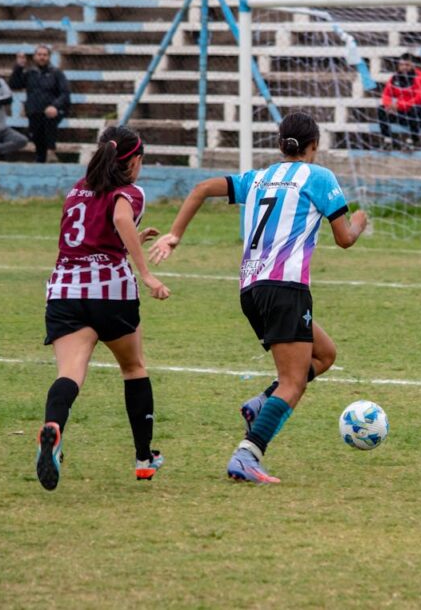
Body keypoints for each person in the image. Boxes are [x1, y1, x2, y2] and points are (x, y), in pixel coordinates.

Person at [148, 112, 368, 484]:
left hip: (251, 289)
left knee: (325, 354)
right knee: (293, 382)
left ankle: (262, 404)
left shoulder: (259, 177)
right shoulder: (318, 176)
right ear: (313, 146)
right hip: (284, 288)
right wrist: (360, 219)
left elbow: (201, 188)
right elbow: (345, 238)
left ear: (280, 144)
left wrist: (175, 234)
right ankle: (248, 454)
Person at [36, 126, 171, 492]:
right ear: (134, 161)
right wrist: (146, 274)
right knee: (133, 367)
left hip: (64, 290)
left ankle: (54, 427)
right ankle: (144, 459)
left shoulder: (77, 188)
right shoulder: (129, 191)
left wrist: (130, 246)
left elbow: (91, 237)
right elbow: (120, 219)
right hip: (110, 292)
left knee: (70, 373)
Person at [9, 46, 70, 164]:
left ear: (49, 57)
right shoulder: (29, 73)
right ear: (34, 56)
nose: (42, 57)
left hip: (52, 111)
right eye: (39, 54)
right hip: (34, 111)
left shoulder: (56, 73)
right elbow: (14, 85)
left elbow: (65, 93)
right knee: (36, 136)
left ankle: (51, 152)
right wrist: (19, 67)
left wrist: (55, 106)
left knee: (49, 123)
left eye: (45, 55)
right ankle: (40, 158)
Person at [377, 53, 421, 150]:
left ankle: (412, 141)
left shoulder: (420, 77)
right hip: (404, 112)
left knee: (415, 109)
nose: (404, 67)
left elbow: (419, 99)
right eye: (401, 65)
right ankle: (387, 140)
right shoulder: (395, 77)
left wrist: (399, 106)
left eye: (407, 65)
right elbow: (386, 94)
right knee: (381, 109)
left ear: (413, 65)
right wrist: (388, 104)